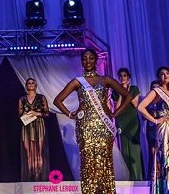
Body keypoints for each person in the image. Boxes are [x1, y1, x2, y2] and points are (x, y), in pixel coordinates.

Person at [53, 49, 133, 194]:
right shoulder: (77, 82)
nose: (88, 61)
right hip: (85, 127)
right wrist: (71, 114)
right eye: (84, 58)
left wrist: (114, 114)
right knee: (88, 162)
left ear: (96, 61)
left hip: (103, 127)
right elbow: (57, 101)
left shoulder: (106, 80)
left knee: (105, 161)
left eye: (91, 58)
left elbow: (128, 96)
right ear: (82, 62)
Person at [136, 67, 169, 194]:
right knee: (168, 156)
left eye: (167, 73)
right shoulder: (157, 91)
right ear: (158, 77)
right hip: (165, 128)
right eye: (162, 74)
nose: (165, 76)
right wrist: (155, 120)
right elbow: (141, 107)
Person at [111, 68, 144, 180]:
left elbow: (135, 104)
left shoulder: (134, 88)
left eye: (125, 75)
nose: (122, 78)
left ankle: (138, 177)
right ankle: (129, 177)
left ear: (128, 77)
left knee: (134, 148)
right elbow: (117, 108)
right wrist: (121, 93)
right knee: (125, 148)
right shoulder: (116, 91)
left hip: (132, 120)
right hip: (122, 121)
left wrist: (128, 92)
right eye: (120, 76)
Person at [18, 78, 50, 182]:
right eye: (29, 83)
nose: (31, 85)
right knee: (29, 152)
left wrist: (36, 113)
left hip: (39, 126)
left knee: (39, 151)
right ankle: (30, 175)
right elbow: (19, 114)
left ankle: (39, 175)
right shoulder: (22, 99)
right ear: (26, 85)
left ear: (35, 85)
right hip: (27, 126)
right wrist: (24, 115)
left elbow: (46, 113)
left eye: (33, 83)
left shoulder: (41, 98)